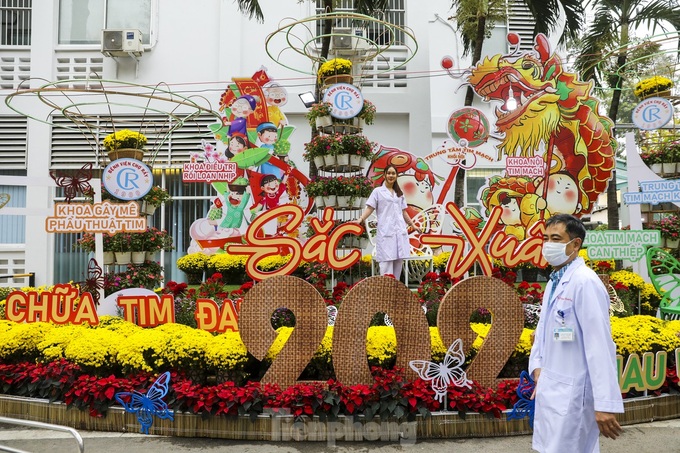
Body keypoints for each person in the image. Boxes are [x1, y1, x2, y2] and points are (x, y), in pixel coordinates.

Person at [529, 213, 623, 453]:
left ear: (575, 244)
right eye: (546, 238)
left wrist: (604, 404)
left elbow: (599, 345)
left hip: (574, 395)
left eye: (556, 238)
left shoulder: (584, 282)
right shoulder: (554, 281)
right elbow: (544, 330)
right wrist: (537, 366)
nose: (548, 244)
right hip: (552, 387)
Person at [354, 164, 420, 277]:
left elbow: (404, 212)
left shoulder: (399, 193)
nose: (391, 175)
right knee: (386, 263)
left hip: (399, 232)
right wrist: (360, 219)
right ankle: (385, 291)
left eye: (393, 173)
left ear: (396, 176)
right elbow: (370, 208)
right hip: (386, 231)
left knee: (398, 262)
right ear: (384, 175)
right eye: (388, 173)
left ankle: (395, 291)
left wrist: (412, 225)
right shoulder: (378, 192)